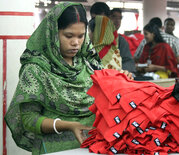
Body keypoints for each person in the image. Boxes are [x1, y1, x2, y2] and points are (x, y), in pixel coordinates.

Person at [5, 3, 103, 154]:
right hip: (53, 150)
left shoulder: (89, 64)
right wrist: (68, 125)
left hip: (92, 147)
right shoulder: (36, 69)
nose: (76, 42)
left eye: (81, 36)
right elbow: (29, 119)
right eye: (68, 36)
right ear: (52, 33)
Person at [89, 2, 133, 78]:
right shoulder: (87, 41)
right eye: (96, 20)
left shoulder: (121, 41)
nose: (100, 24)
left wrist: (124, 74)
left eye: (103, 21)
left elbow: (127, 62)